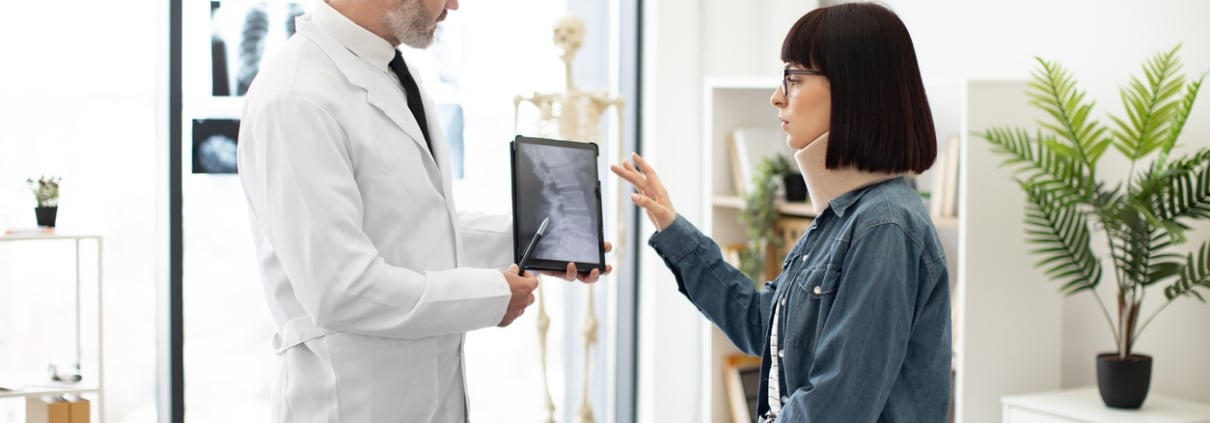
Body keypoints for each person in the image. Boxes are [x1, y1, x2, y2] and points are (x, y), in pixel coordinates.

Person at [236, 0, 608, 421]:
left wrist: (541, 240)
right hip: (349, 404)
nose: (454, 3)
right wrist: (492, 297)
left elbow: (419, 227)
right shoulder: (296, 98)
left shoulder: (391, 71)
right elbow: (342, 290)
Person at [611, 3, 950, 422]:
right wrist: (671, 225)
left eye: (793, 77)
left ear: (852, 89)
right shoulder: (841, 219)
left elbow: (836, 406)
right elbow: (761, 326)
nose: (777, 97)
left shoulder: (884, 227)